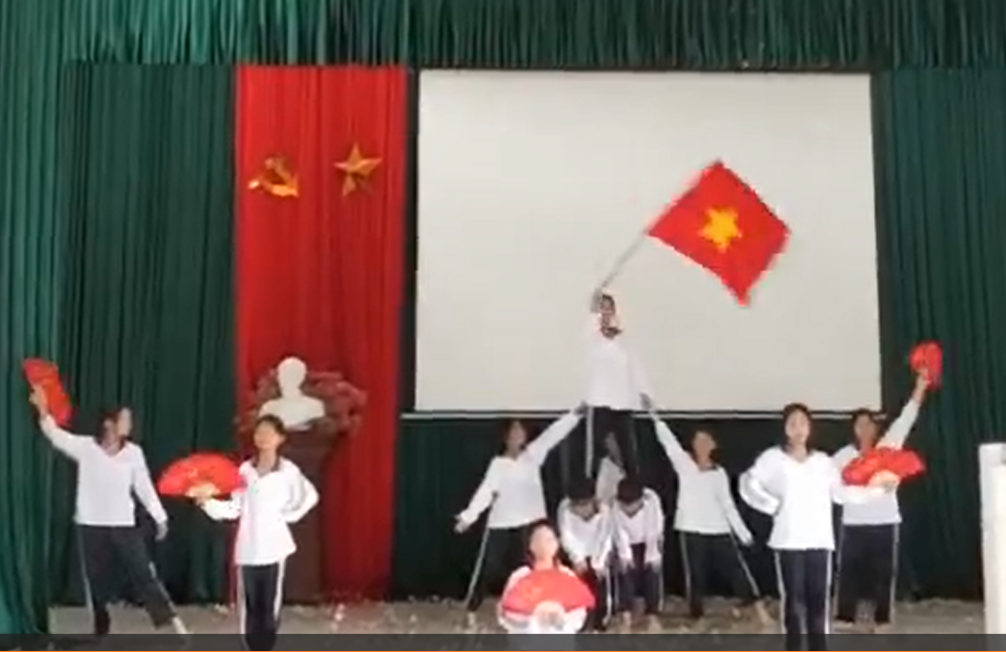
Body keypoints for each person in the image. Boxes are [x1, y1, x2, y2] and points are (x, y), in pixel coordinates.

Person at [28, 385, 187, 641]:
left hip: (123, 524)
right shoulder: (86, 447)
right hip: (90, 524)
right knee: (96, 579)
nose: (129, 424)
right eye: (124, 419)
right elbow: (55, 435)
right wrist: (43, 409)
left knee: (143, 572)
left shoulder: (133, 453)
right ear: (108, 423)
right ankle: (101, 623)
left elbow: (144, 487)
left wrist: (161, 518)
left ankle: (170, 620)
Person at [740, 403, 896, 651]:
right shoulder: (773, 459)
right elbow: (748, 483)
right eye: (792, 423)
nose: (798, 429)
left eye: (803, 423)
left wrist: (875, 491)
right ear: (785, 428)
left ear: (810, 427)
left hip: (819, 541)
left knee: (819, 604)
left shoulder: (823, 462)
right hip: (789, 541)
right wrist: (771, 505)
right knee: (793, 603)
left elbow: (841, 493)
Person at [193, 415, 319, 651]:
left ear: (280, 438)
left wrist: (288, 515)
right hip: (249, 548)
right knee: (250, 605)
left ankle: (266, 646)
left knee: (268, 606)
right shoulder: (245, 471)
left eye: (269, 432)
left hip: (275, 548)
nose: (263, 437)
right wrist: (207, 503)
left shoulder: (288, 471)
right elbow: (235, 508)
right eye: (259, 432)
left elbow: (309, 496)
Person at [456, 406, 586, 629]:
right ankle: (471, 610)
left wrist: (575, 415)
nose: (518, 435)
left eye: (521, 431)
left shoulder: (533, 455)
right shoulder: (498, 464)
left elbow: (553, 434)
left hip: (532, 522)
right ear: (506, 436)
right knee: (490, 568)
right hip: (502, 523)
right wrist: (468, 517)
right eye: (513, 431)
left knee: (533, 569)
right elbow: (485, 492)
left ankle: (536, 611)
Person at [647, 411, 770, 627]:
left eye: (705, 440)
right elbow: (669, 444)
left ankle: (759, 610)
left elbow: (728, 505)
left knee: (737, 571)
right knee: (695, 575)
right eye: (698, 440)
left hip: (718, 528)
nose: (701, 444)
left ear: (713, 445)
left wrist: (743, 533)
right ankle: (696, 614)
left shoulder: (719, 473)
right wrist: (654, 417)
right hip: (691, 528)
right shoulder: (685, 465)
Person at [832, 372, 930, 633]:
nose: (865, 429)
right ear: (853, 429)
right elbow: (834, 489)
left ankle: (882, 618)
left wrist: (920, 387)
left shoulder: (888, 447)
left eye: (869, 424)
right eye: (860, 425)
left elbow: (907, 418)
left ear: (876, 428)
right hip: (853, 523)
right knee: (848, 570)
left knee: (884, 572)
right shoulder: (842, 457)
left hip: (885, 521)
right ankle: (845, 616)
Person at [573, 289, 650, 484]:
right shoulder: (593, 338)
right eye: (602, 309)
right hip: (599, 401)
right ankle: (591, 490)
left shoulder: (624, 340)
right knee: (597, 452)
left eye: (609, 308)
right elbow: (591, 325)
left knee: (628, 451)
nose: (605, 313)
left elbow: (635, 366)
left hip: (623, 402)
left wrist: (644, 392)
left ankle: (632, 489)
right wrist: (595, 300)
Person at [498, 520, 589, 637]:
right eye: (538, 539)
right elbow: (506, 613)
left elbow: (579, 613)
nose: (544, 545)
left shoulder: (566, 574)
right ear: (530, 545)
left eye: (549, 539)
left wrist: (562, 619)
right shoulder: (520, 576)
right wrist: (530, 617)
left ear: (557, 544)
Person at [558, 480, 615, 631]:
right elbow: (567, 536)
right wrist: (578, 559)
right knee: (578, 590)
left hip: (598, 552)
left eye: (584, 506)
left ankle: (600, 622)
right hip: (577, 555)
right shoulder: (565, 509)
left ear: (593, 501)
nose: (580, 511)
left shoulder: (605, 510)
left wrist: (599, 561)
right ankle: (579, 623)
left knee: (600, 589)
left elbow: (605, 537)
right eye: (576, 507)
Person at [611, 478, 664, 632]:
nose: (628, 510)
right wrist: (625, 555)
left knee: (652, 575)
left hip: (649, 540)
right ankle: (626, 615)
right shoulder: (615, 506)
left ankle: (653, 616)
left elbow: (654, 530)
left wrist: (652, 554)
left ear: (641, 500)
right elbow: (619, 532)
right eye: (624, 507)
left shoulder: (651, 502)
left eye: (632, 507)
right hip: (627, 542)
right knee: (626, 575)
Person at [595, 432, 625, 505]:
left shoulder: (631, 462)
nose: (610, 445)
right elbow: (600, 495)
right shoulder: (604, 466)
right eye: (607, 443)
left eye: (613, 440)